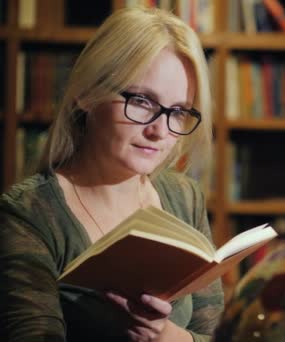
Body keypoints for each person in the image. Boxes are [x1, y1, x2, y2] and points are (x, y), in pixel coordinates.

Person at [0, 7, 223, 342]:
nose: (160, 131)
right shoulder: (28, 214)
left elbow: (216, 334)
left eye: (177, 111)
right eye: (143, 101)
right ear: (87, 94)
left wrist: (166, 336)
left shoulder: (183, 197)